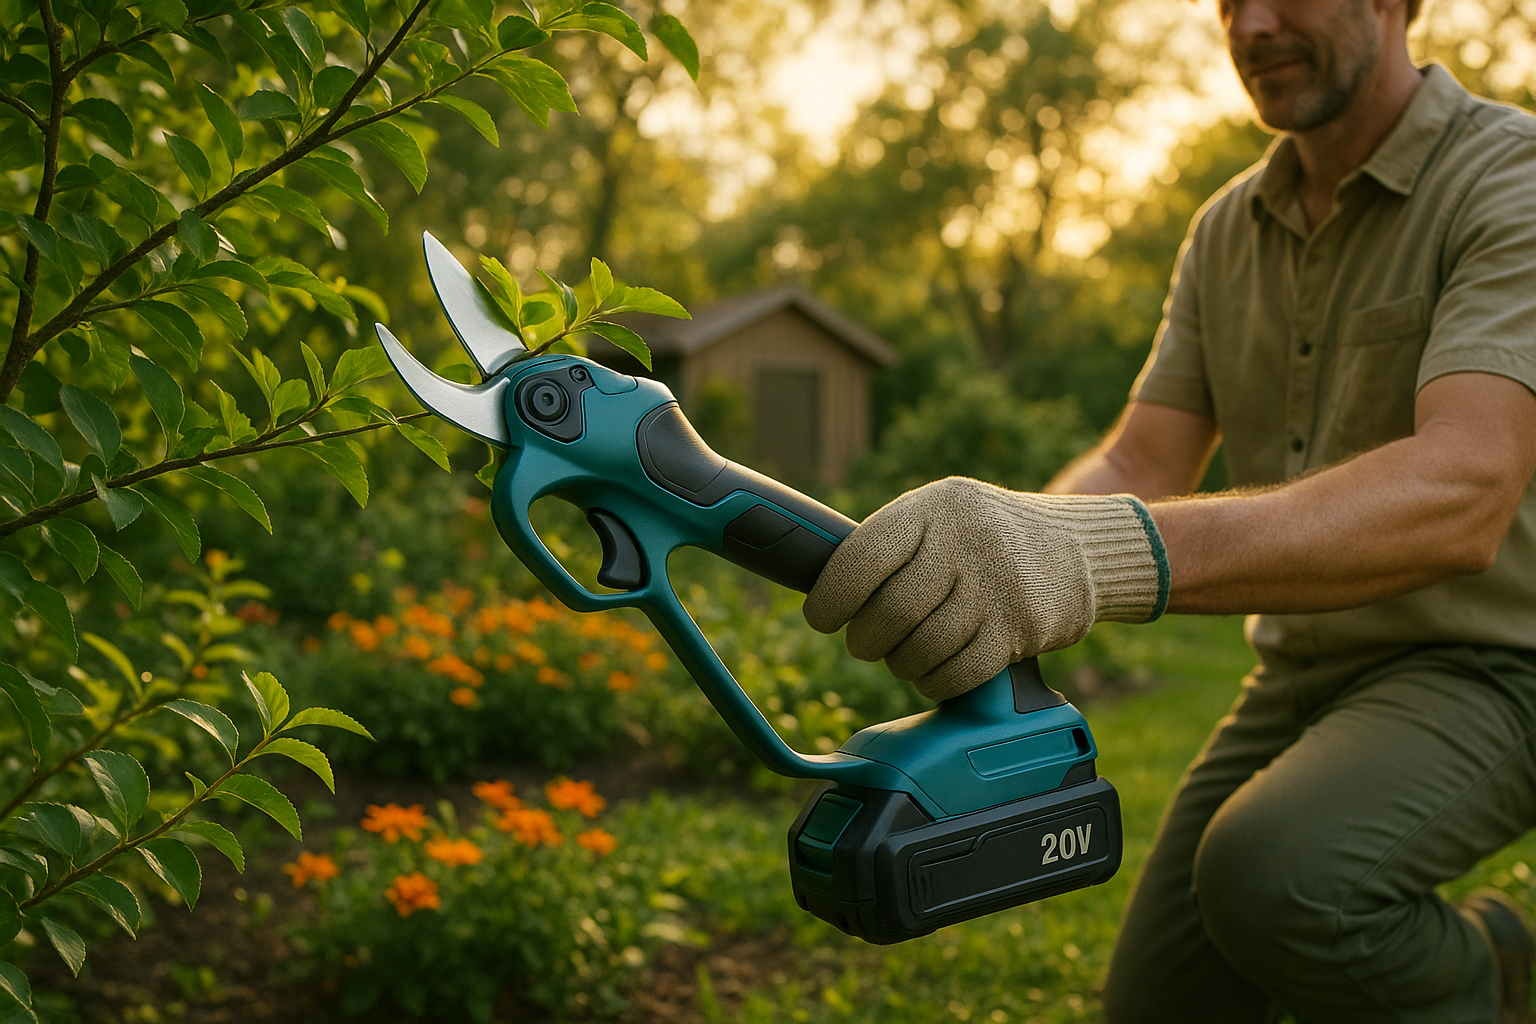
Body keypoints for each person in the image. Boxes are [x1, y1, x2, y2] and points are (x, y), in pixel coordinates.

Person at [802, 0, 1536, 1020]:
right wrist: (1013, 542)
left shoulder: (1513, 178)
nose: (1252, 25)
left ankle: (1488, 978)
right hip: (1301, 668)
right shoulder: (1226, 228)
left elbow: (1466, 488)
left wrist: (1092, 558)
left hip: (1496, 665)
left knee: (1277, 879)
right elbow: (1144, 456)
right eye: (1229, 0)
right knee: (1156, 1004)